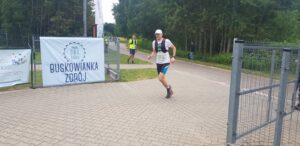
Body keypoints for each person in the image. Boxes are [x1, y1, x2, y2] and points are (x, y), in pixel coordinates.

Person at [148, 29, 177, 98]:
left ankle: (169, 89)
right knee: (162, 79)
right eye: (156, 34)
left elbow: (174, 48)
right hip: (158, 62)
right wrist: (150, 56)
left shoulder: (166, 41)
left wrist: (173, 57)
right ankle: (169, 89)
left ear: (161, 34)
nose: (157, 35)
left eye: (158, 34)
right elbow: (154, 51)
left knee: (160, 78)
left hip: (166, 61)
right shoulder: (154, 42)